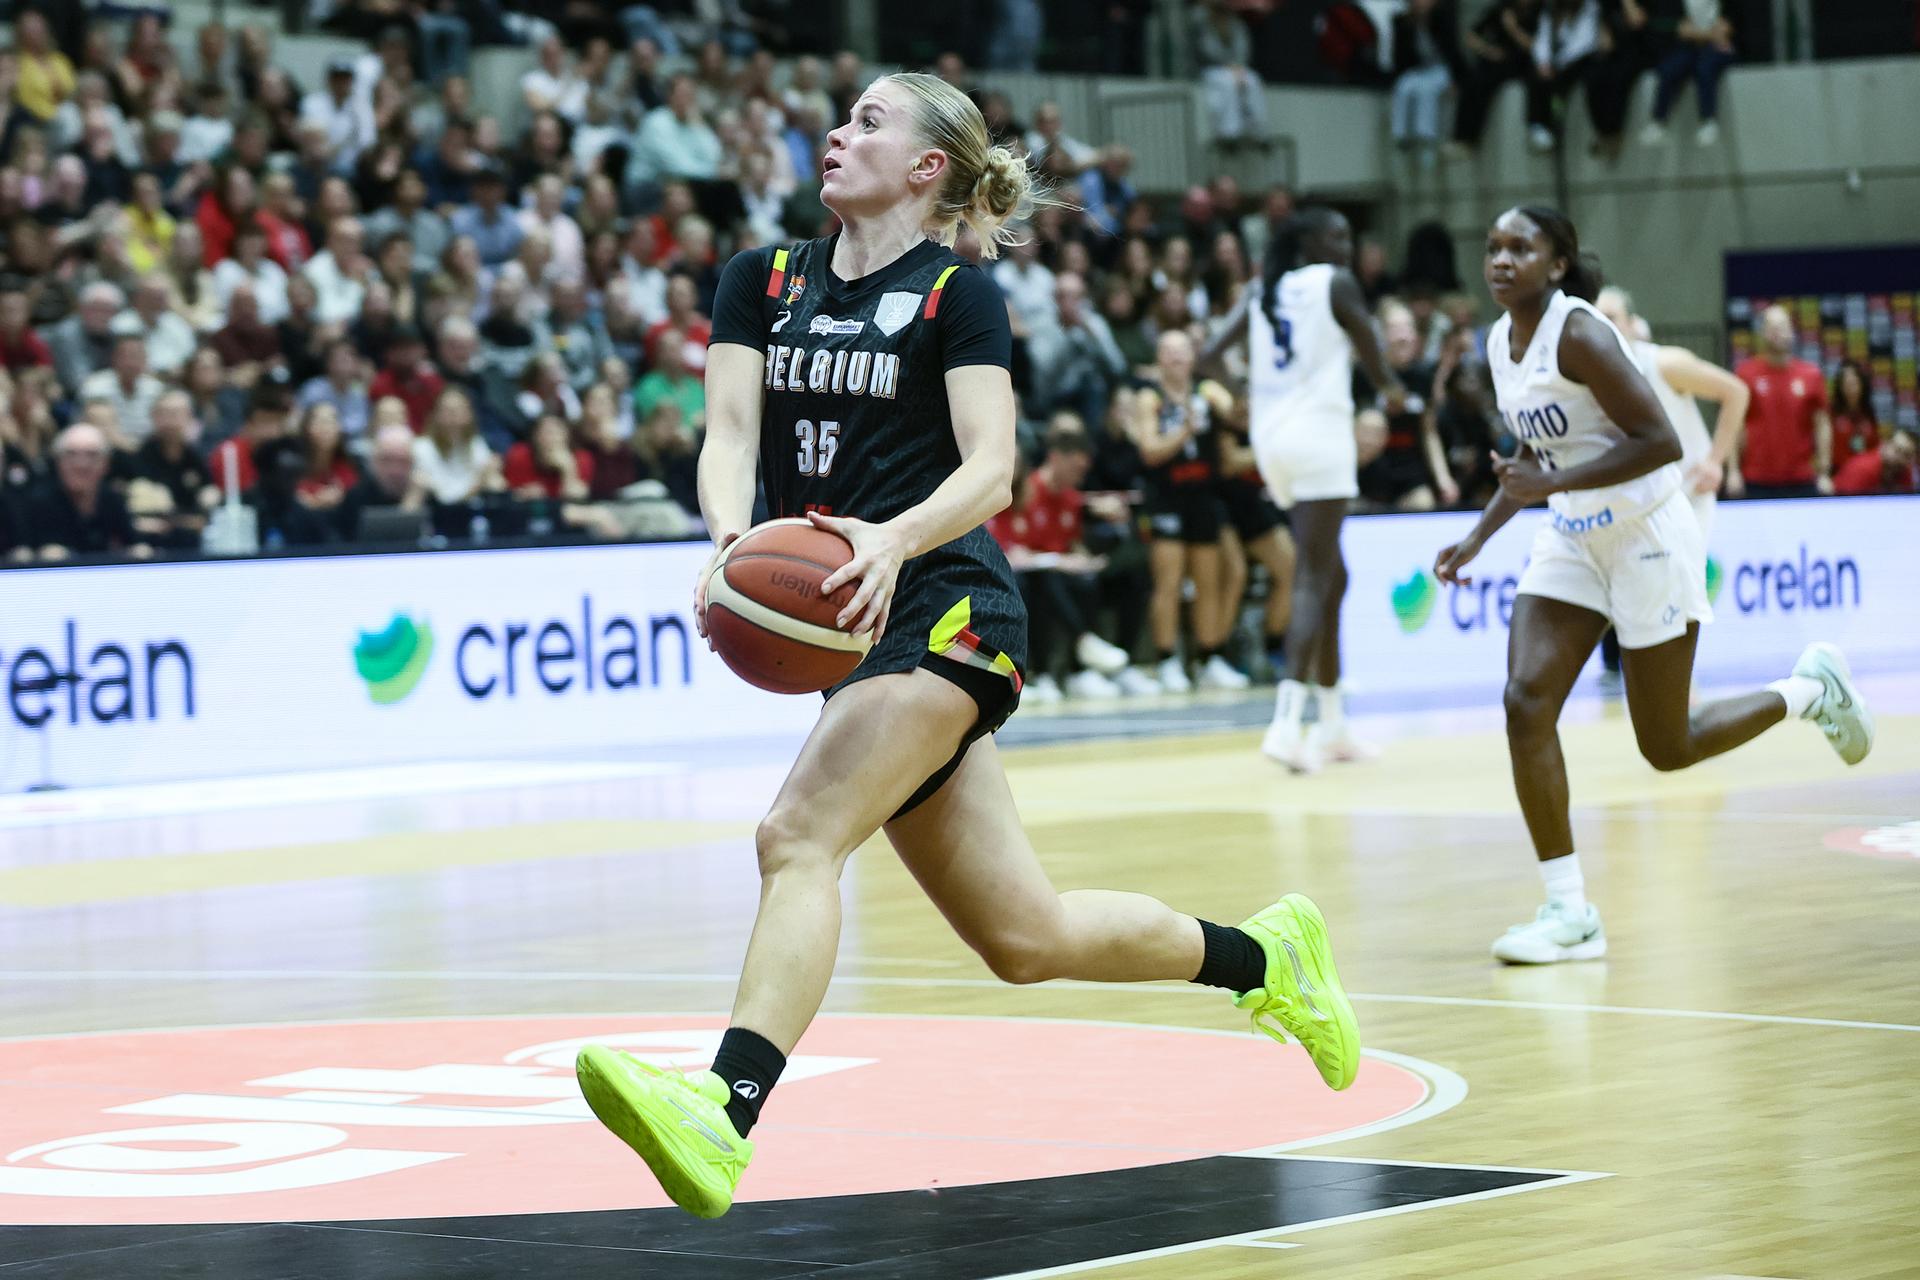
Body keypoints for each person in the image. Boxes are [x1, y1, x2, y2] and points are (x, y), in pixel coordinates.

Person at [573, 70, 1360, 1221]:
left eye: (871, 122)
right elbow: (730, 431)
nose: (839, 133)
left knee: (797, 833)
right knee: (1023, 935)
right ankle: (1268, 958)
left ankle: (723, 1111)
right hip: (852, 625)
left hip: (946, 605)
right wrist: (730, 539)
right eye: (841, 118)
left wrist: (893, 537)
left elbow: (991, 467)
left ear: (929, 166)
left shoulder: (955, 295)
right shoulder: (765, 279)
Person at [1434, 206, 1872, 965]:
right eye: (1494, 246)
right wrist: (1477, 536)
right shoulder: (1500, 346)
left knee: (1667, 747)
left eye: (1521, 248)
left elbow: (1660, 442)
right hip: (1572, 537)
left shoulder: (1580, 333)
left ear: (1558, 264)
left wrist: (1553, 483)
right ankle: (1569, 912)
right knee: (1525, 701)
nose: (1501, 260)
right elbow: (1536, 460)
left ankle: (1808, 692)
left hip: (1646, 538)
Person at [1205, 207, 1405, 773]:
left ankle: (1335, 725)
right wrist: (1392, 391)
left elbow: (1207, 357)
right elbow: (1369, 342)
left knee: (1334, 574)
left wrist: (1248, 395)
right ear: (1311, 241)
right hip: (1320, 435)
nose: (1345, 243)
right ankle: (1287, 724)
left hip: (1273, 442)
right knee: (1315, 575)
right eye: (1337, 235)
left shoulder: (1264, 287)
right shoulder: (1334, 283)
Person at [1130, 330, 1246, 693]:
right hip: (1166, 497)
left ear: (1193, 358)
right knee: (1169, 580)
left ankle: (1209, 657)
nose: (1177, 358)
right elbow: (1149, 450)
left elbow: (1239, 417)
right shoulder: (1150, 398)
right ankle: (1167, 660)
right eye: (1169, 352)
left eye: (1183, 352)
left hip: (1202, 496)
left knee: (1208, 581)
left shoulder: (1207, 392)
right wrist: (1184, 431)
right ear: (1160, 359)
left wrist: (1245, 390)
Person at [1733, 305, 1832, 499]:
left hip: (1802, 478)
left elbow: (1822, 425)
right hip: (1756, 479)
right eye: (1772, 327)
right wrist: (1733, 471)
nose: (1778, 333)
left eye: (1783, 326)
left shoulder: (1811, 375)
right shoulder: (1746, 374)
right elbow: (1736, 425)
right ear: (1763, 333)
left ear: (1792, 331)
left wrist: (1824, 472)